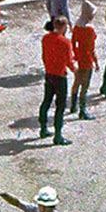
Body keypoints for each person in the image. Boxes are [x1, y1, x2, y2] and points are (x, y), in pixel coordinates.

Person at [39, 16, 77, 146]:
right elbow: (68, 61)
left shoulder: (46, 38)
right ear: (64, 27)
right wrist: (75, 71)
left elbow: (44, 56)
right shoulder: (65, 42)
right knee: (60, 106)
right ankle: (58, 135)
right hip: (60, 76)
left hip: (49, 74)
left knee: (46, 101)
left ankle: (43, 129)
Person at [70, 0, 99, 120]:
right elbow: (92, 48)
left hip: (79, 57)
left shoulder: (77, 26)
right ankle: (82, 110)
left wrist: (75, 54)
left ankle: (73, 105)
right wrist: (96, 62)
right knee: (85, 85)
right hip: (87, 58)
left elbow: (73, 42)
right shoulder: (89, 30)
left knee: (76, 82)